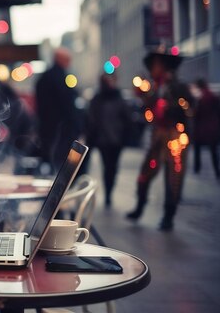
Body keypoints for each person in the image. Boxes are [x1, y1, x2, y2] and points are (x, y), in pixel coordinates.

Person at [126, 49, 194, 231]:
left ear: (163, 66)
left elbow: (189, 108)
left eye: (155, 65)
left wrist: (173, 106)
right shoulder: (155, 87)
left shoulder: (178, 86)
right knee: (145, 172)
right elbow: (149, 112)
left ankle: (168, 216)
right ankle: (140, 207)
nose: (152, 69)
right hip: (159, 134)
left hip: (175, 136)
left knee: (173, 178)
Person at [35, 47, 83, 172]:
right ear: (59, 59)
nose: (69, 62)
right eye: (67, 59)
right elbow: (67, 104)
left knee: (49, 160)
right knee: (60, 164)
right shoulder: (61, 78)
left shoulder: (44, 77)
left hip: (47, 127)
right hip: (60, 129)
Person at [86, 73, 130, 208]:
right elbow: (91, 119)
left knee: (113, 168)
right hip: (103, 140)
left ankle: (109, 192)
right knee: (107, 167)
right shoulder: (97, 99)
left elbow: (126, 118)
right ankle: (108, 195)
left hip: (116, 141)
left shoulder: (119, 98)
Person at [193, 78, 220, 179]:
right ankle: (217, 171)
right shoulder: (212, 96)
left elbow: (197, 114)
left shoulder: (201, 97)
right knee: (214, 150)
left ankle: (197, 168)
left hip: (202, 128)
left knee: (198, 148)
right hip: (212, 126)